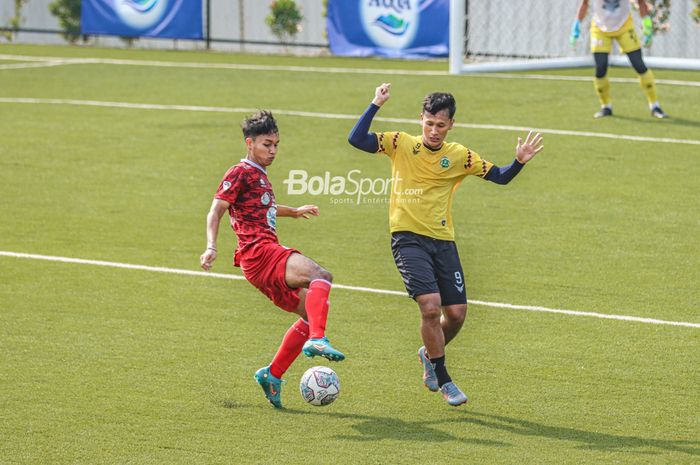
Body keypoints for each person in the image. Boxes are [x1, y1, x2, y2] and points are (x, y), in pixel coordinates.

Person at [347, 84, 544, 406]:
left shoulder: (459, 156)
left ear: (451, 124)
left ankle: (429, 355)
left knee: (456, 314)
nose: (434, 131)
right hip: (406, 237)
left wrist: (519, 161)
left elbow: (500, 177)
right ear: (420, 119)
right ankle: (444, 377)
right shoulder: (400, 143)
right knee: (429, 306)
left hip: (443, 241)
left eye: (441, 125)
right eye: (429, 123)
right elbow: (356, 139)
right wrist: (375, 104)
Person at [200, 110, 345, 409]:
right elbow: (216, 211)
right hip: (259, 252)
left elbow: (263, 206)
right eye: (267, 144)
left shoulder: (259, 175)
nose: (273, 150)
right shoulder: (239, 172)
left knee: (310, 312)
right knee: (321, 276)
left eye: (277, 144)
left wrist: (292, 211)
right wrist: (211, 246)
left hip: (260, 259)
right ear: (249, 143)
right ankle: (318, 339)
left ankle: (272, 374)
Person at [570, 0, 668, 119]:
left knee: (639, 64)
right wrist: (577, 23)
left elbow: (641, 2)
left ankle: (654, 106)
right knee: (600, 67)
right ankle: (606, 106)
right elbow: (585, 3)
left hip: (624, 27)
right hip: (600, 28)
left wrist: (646, 23)